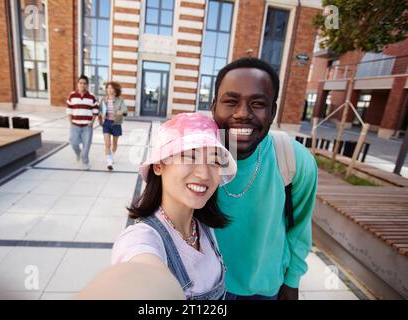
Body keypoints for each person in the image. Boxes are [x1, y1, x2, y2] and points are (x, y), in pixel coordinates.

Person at [211, 57, 318, 300]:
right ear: (214, 105)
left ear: (273, 112)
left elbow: (299, 228)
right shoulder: (194, 156)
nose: (242, 114)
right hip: (205, 287)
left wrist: (292, 283)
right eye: (231, 101)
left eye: (257, 103)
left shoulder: (294, 160)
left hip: (264, 289)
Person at [111, 112, 237, 300]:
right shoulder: (141, 238)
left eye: (214, 161)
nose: (204, 174)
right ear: (159, 166)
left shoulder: (203, 227)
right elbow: (139, 268)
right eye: (189, 157)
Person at [66, 75, 99, 170]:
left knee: (87, 144)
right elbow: (69, 109)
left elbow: (95, 111)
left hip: (87, 125)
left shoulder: (92, 97)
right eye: (81, 83)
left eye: (84, 83)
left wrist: (92, 122)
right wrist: (71, 122)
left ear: (87, 85)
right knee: (73, 142)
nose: (82, 85)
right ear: (77, 84)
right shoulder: (72, 95)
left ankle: (85, 162)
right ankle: (78, 154)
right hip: (75, 124)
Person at [99, 81, 128, 171]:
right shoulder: (103, 100)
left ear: (115, 89)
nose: (109, 89)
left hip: (116, 123)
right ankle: (109, 162)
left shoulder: (120, 100)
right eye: (108, 88)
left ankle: (111, 155)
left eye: (111, 88)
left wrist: (121, 112)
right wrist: (101, 115)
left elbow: (125, 110)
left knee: (114, 143)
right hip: (107, 123)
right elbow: (100, 110)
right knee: (107, 143)